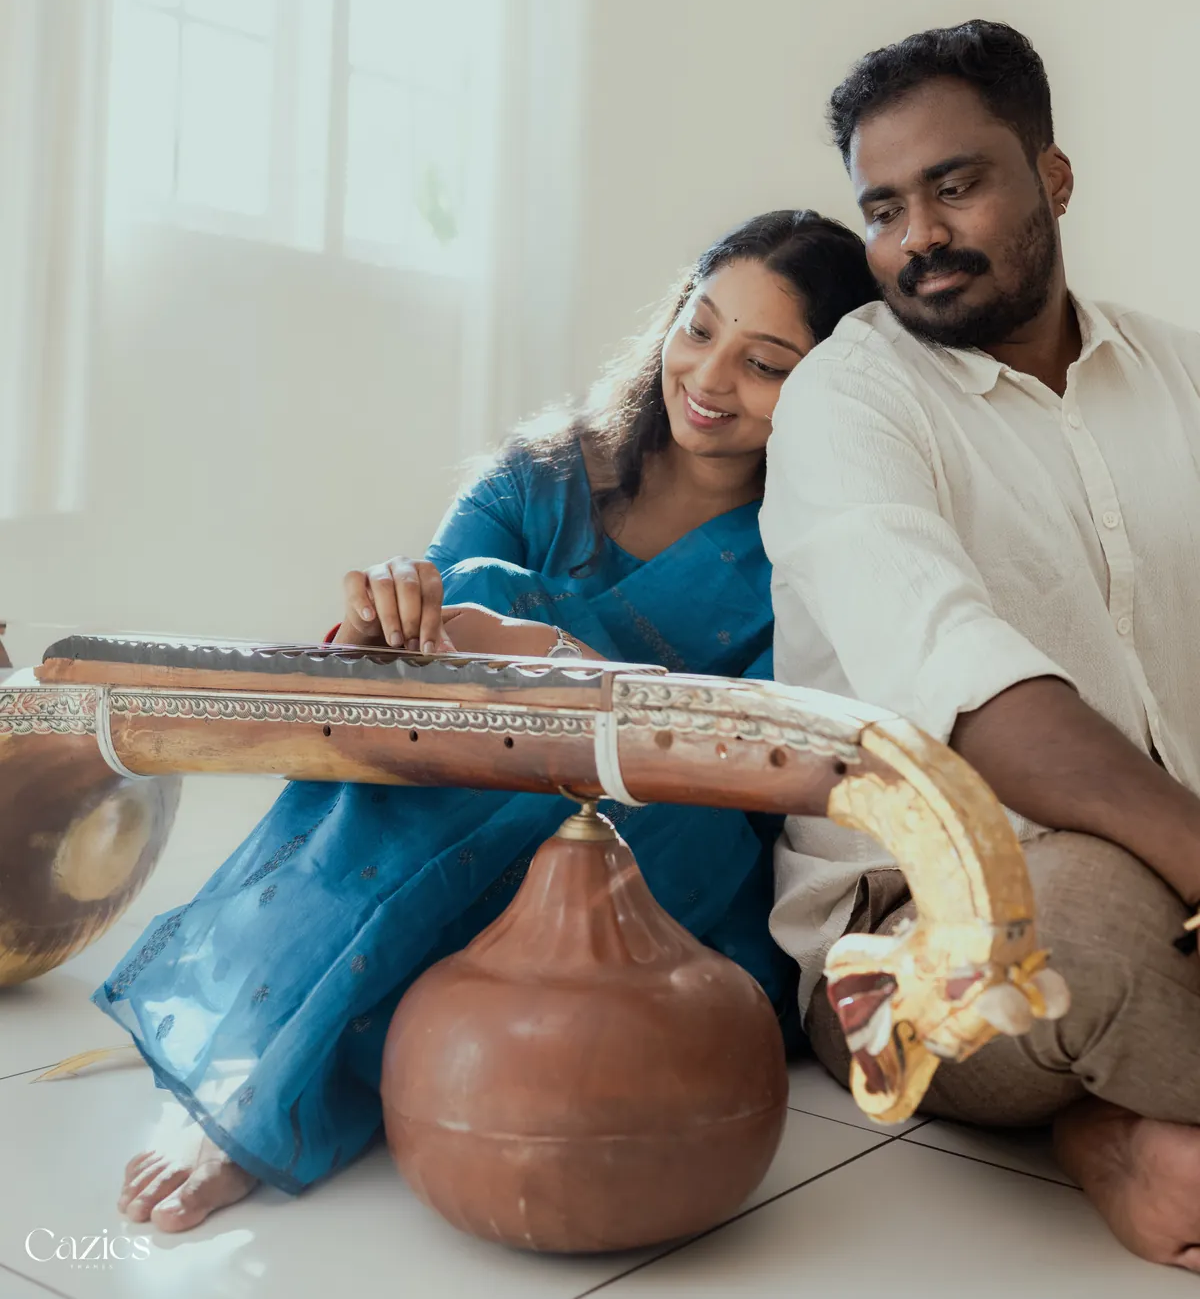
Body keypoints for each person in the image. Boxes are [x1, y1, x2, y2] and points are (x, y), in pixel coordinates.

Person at [101, 208, 878, 1234]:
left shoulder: (813, 554)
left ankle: (279, 1061)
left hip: (679, 861)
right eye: (699, 326)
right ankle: (267, 1052)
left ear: (823, 391)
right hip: (475, 795)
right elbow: (424, 671)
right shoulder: (542, 473)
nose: (710, 374)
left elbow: (757, 762)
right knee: (467, 608)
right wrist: (390, 611)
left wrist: (540, 652)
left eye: (766, 361)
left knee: (499, 613)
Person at [761, 21, 1200, 1273]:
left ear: (1052, 180)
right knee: (1089, 923)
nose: (917, 238)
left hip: (1181, 863)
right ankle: (1107, 1109)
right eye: (884, 208)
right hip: (924, 924)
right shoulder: (849, 402)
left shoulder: (1179, 375)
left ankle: (1119, 1125)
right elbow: (964, 682)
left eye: (955, 185)